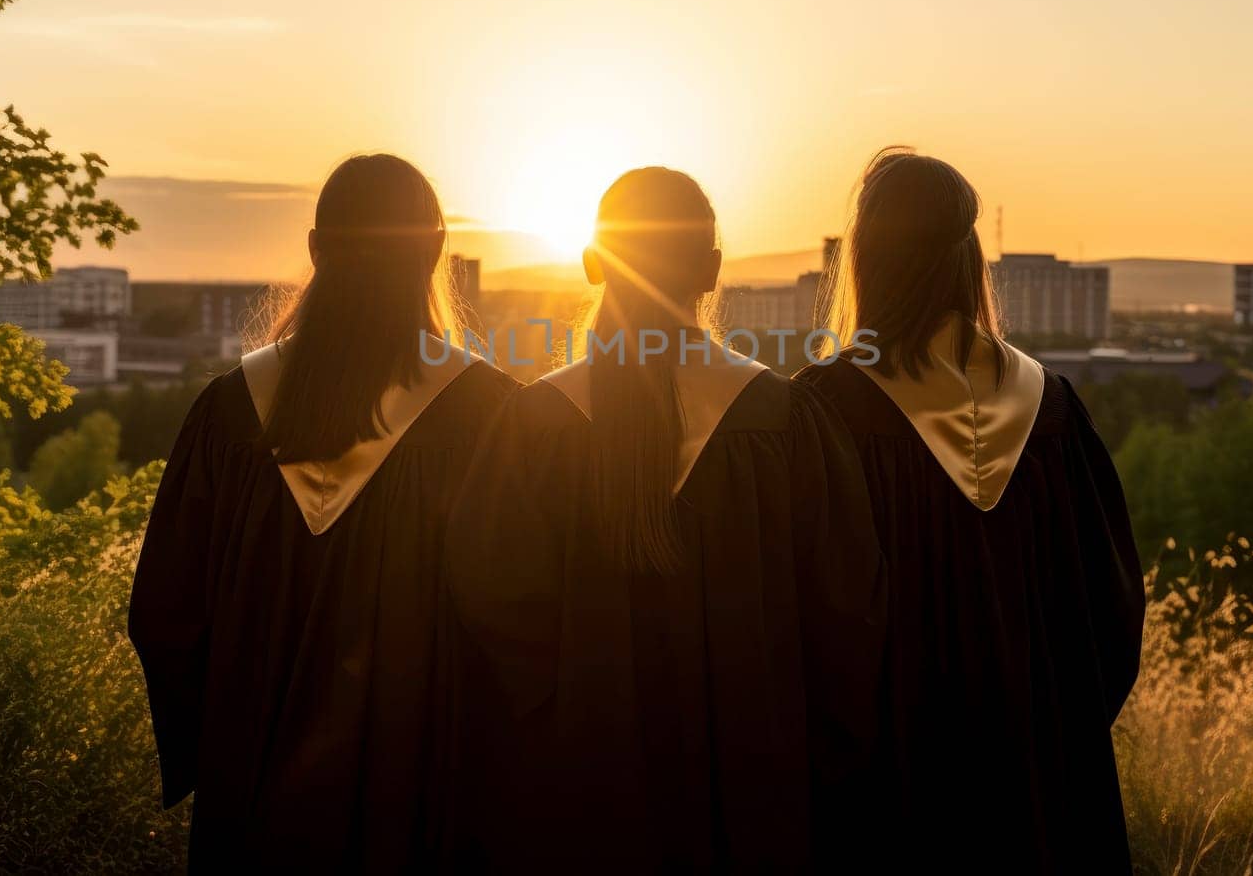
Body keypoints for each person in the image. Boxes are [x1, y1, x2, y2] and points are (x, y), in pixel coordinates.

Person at [446, 167, 885, 872]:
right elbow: (845, 616)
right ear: (711, 270)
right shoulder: (786, 422)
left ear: (593, 263)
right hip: (754, 792)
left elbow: (490, 608)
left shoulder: (533, 424)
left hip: (580, 797)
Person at [128, 153, 515, 870]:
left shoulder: (230, 411)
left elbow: (165, 614)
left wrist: (222, 738)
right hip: (424, 796)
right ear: (435, 253)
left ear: (315, 250)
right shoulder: (490, 414)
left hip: (255, 791)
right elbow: (521, 622)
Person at [795, 147, 1146, 873]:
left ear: (866, 258)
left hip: (890, 783)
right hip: (1038, 777)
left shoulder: (827, 406)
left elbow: (801, 617)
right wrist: (1051, 734)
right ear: (968, 256)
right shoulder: (1048, 406)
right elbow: (1111, 613)